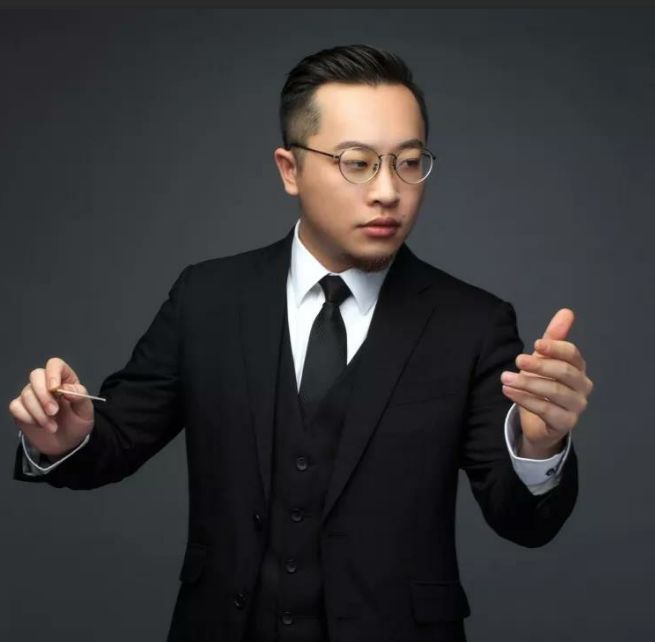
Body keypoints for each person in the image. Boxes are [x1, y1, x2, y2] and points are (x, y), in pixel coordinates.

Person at [9, 45, 593, 642]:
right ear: (290, 170)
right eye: (357, 163)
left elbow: (523, 522)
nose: (388, 191)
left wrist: (538, 445)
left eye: (409, 162)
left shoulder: (471, 322)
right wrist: (64, 439)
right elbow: (115, 440)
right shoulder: (207, 298)